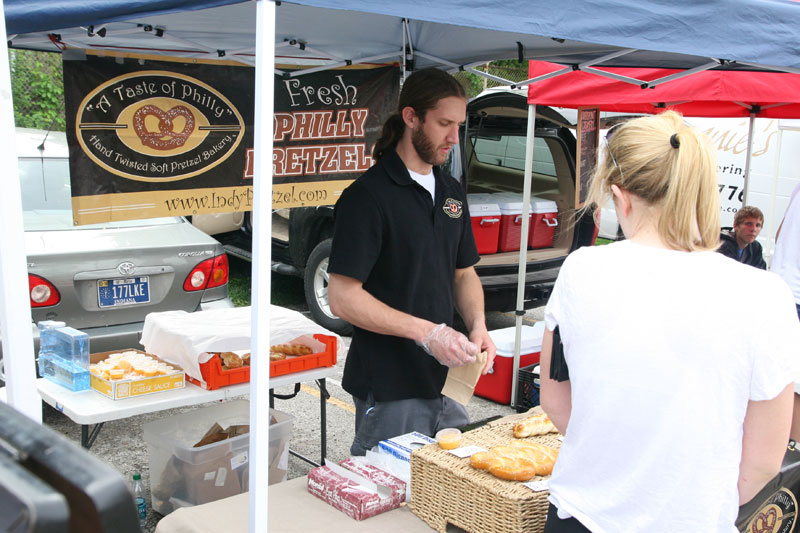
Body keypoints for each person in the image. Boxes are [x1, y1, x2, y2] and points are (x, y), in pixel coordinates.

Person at [539, 111, 800, 533]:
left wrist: (615, 457)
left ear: (619, 196)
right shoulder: (765, 296)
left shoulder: (581, 269)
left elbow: (555, 399)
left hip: (581, 513)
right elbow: (763, 461)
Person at [327, 68, 497, 456]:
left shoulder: (451, 191)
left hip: (449, 383)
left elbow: (464, 272)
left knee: (444, 495)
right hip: (390, 387)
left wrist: (478, 325)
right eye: (443, 124)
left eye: (458, 125)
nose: (454, 137)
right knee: (388, 498)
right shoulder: (367, 197)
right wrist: (428, 333)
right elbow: (342, 298)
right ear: (411, 117)